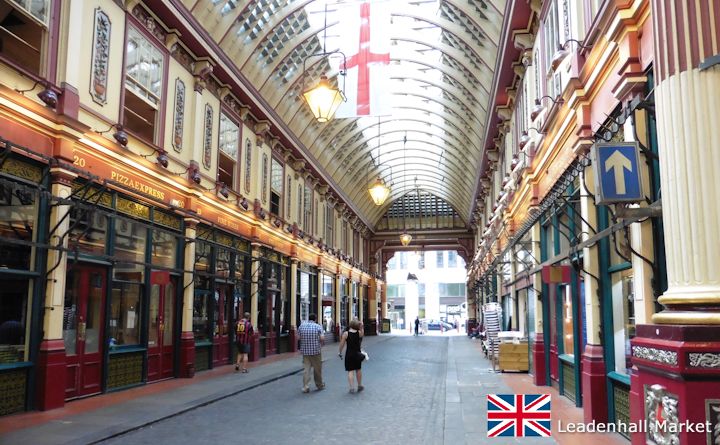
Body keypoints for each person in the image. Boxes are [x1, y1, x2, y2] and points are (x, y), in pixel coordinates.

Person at [298, 313, 325, 393]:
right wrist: (320, 343)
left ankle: (305, 386)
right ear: (315, 319)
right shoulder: (318, 326)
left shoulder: (302, 326)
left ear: (308, 318)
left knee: (306, 369)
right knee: (317, 369)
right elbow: (322, 338)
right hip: (315, 351)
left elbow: (298, 337)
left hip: (305, 351)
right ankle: (319, 385)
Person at [338, 318, 365, 393]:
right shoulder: (359, 333)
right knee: (358, 369)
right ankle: (359, 385)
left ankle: (351, 388)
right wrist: (361, 326)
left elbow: (342, 344)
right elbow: (362, 333)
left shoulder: (346, 334)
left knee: (350, 371)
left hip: (349, 354)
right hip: (357, 354)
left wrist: (339, 352)